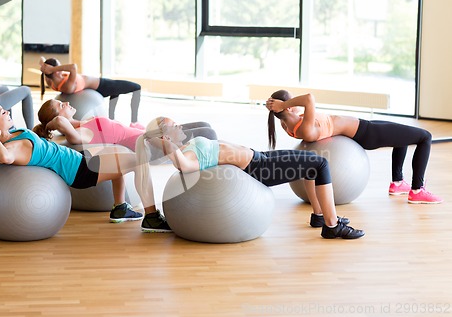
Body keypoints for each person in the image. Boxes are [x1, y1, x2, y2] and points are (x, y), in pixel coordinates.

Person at [135, 116, 365, 239]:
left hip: (259, 156)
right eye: (174, 126)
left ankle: (319, 216)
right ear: (166, 136)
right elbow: (184, 167)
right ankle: (332, 225)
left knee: (310, 164)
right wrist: (167, 146)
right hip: (258, 168)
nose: (180, 125)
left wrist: (169, 140)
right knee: (320, 164)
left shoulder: (187, 145)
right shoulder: (184, 155)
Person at [0, 101, 171, 232]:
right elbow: (5, 158)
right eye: (2, 113)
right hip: (80, 171)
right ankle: (151, 217)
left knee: (124, 154)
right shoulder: (13, 147)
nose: (7, 112)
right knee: (138, 160)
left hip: (79, 159)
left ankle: (120, 208)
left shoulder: (8, 135)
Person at [266, 89, 443, 205]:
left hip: (365, 126)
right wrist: (283, 104)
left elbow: (293, 108)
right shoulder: (305, 127)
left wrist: (280, 106)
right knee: (425, 137)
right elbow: (309, 98)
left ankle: (397, 183)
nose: (295, 104)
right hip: (366, 133)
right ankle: (417, 190)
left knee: (402, 135)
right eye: (291, 103)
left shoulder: (286, 124)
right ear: (287, 108)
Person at [33, 98, 218, 153]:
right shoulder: (80, 133)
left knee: (205, 125)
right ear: (57, 117)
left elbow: (60, 120)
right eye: (60, 105)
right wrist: (49, 125)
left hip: (150, 133)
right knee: (208, 132)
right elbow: (58, 122)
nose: (65, 103)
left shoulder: (85, 123)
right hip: (152, 145)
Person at [39, 57, 141, 124]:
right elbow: (73, 67)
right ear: (55, 72)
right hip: (102, 86)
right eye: (59, 67)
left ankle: (111, 119)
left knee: (116, 92)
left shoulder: (51, 82)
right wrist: (53, 69)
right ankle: (134, 122)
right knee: (137, 87)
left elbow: (41, 60)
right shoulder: (67, 86)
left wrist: (45, 66)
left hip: (97, 89)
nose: (61, 68)